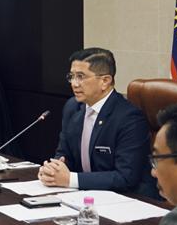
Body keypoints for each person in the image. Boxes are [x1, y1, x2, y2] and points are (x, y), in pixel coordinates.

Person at [38, 47, 151, 195]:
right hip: (84, 196)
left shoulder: (129, 118)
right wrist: (52, 171)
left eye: (81, 77)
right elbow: (63, 154)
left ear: (105, 81)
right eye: (71, 76)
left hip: (126, 200)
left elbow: (125, 177)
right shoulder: (73, 107)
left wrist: (70, 179)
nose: (74, 83)